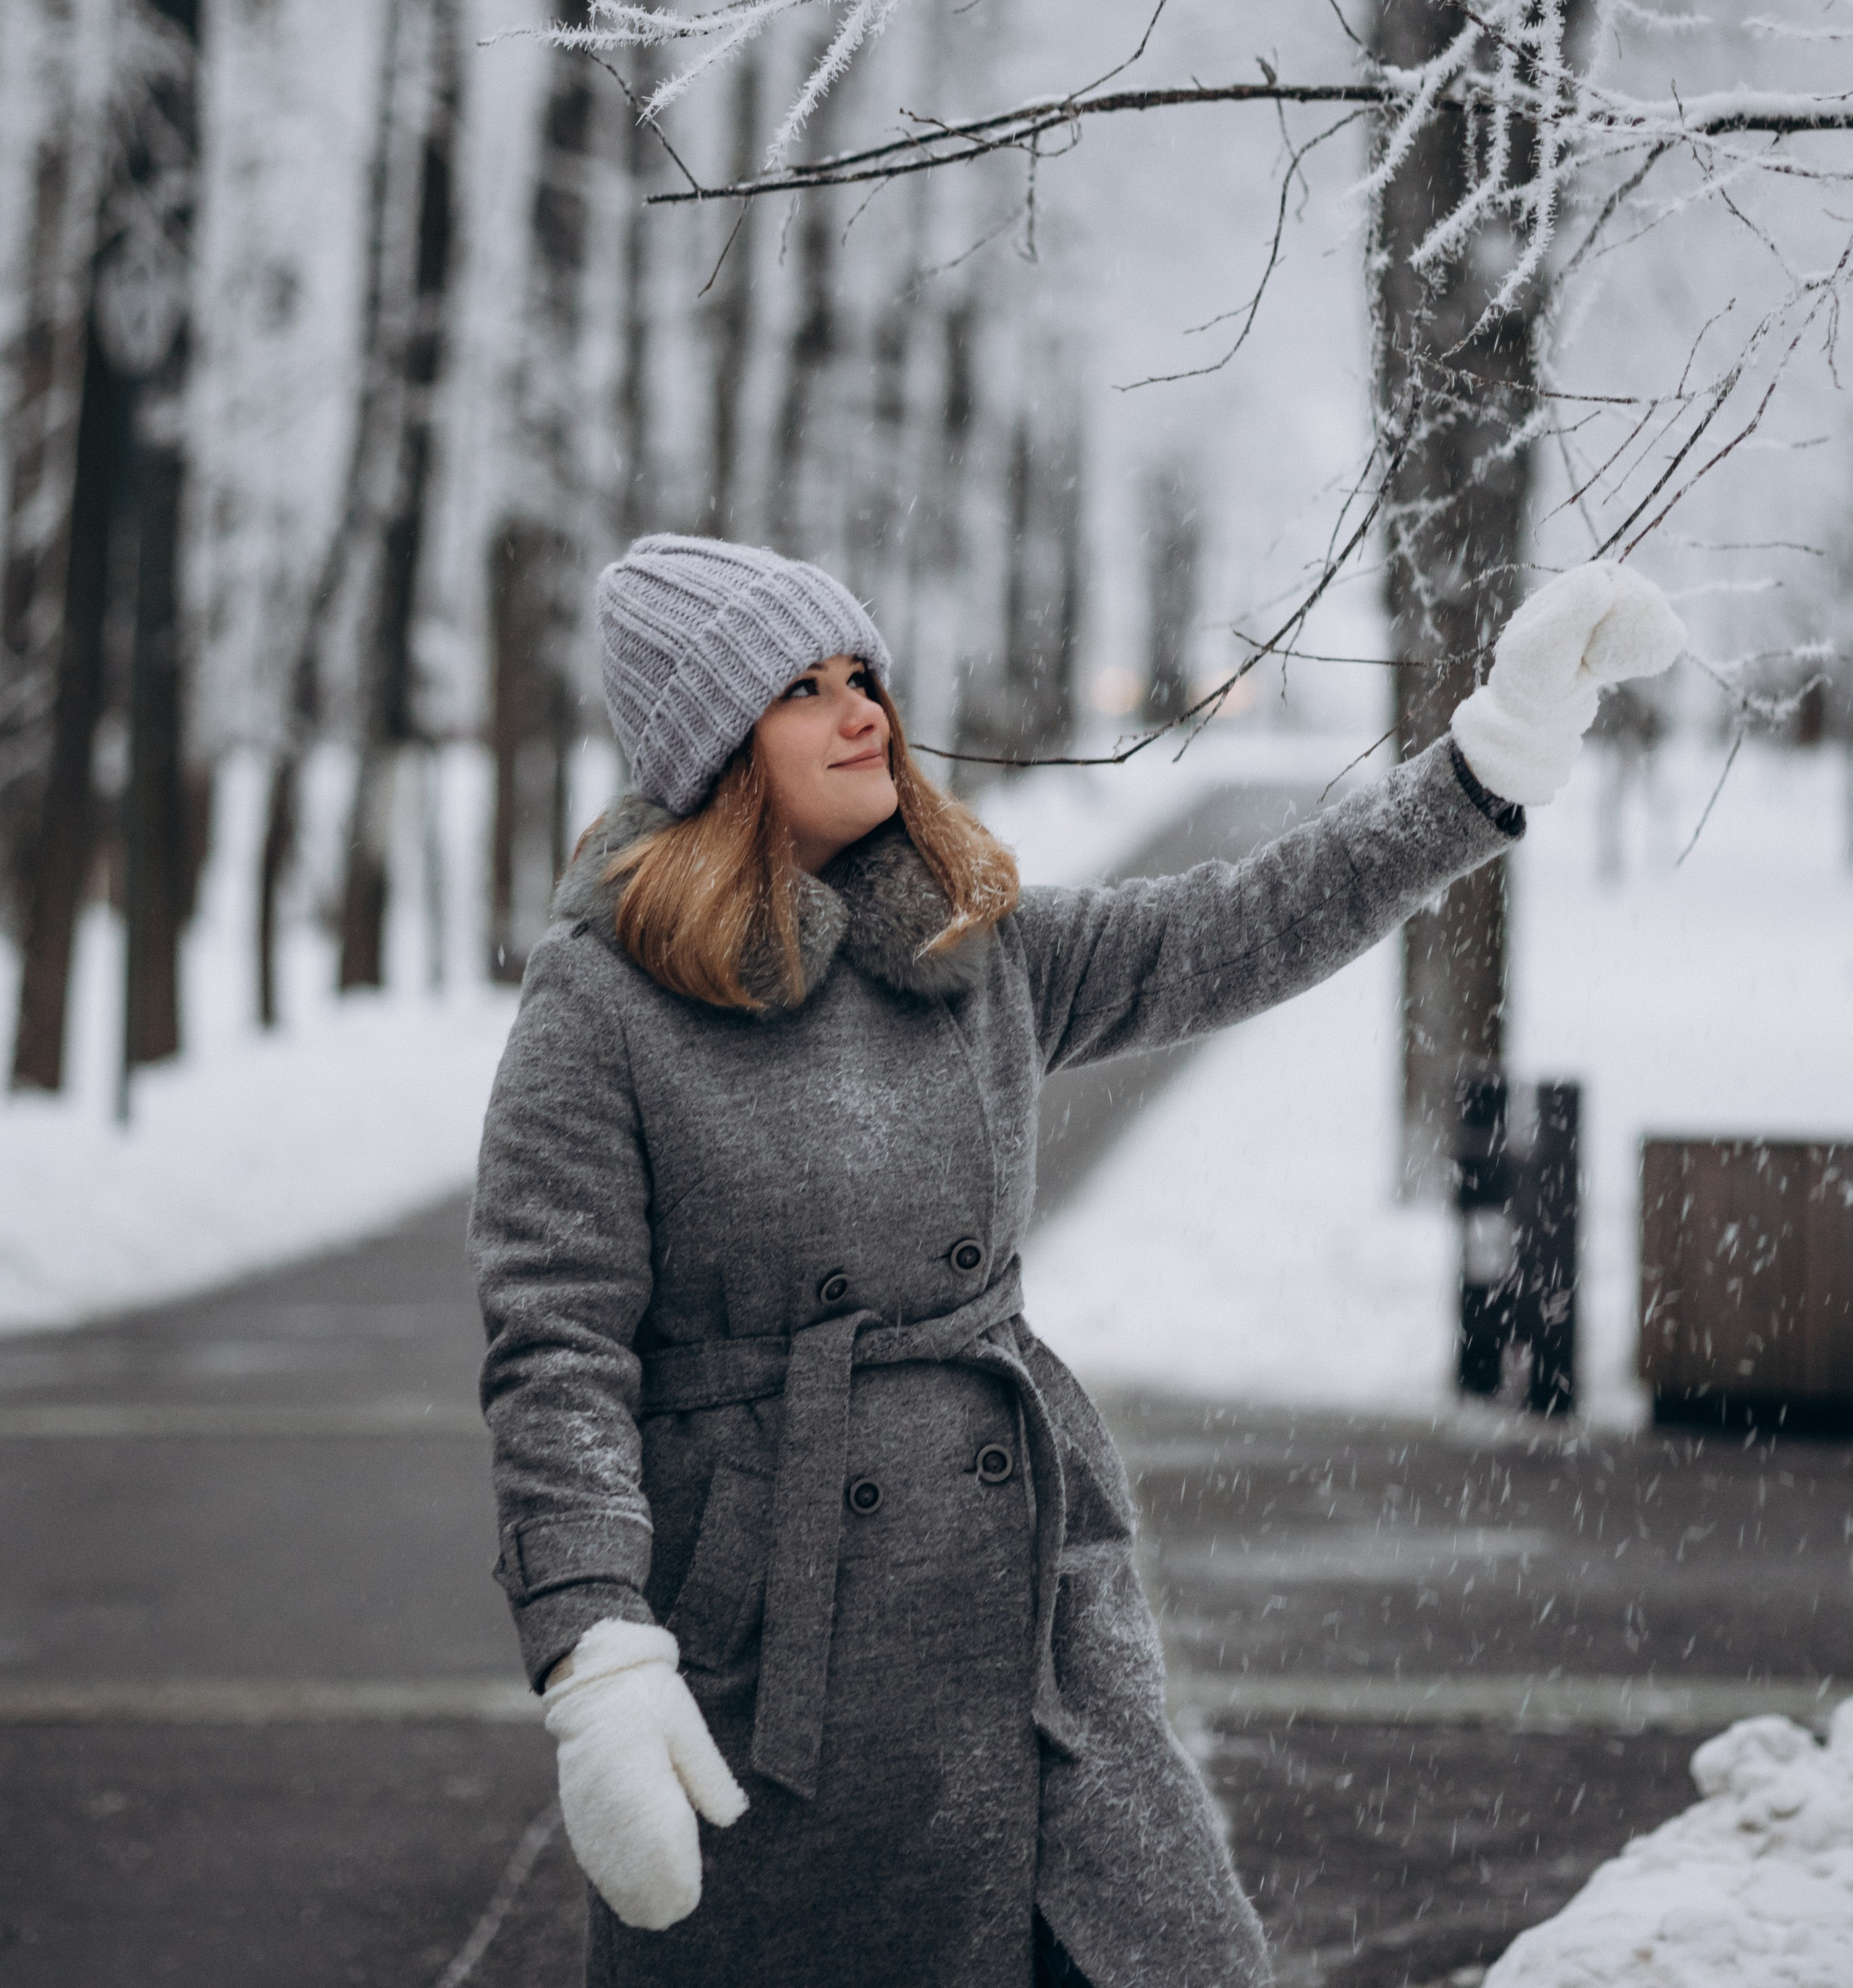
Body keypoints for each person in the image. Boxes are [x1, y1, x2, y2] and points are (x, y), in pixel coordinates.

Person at [470, 531, 1682, 1988]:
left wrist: (1485, 762)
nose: (865, 710)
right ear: (716, 746)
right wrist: (596, 1648)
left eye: (864, 674)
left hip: (1031, 1615)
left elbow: (1236, 927)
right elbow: (554, 1347)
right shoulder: (603, 1000)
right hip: (778, 1656)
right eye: (804, 687)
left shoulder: (958, 943)